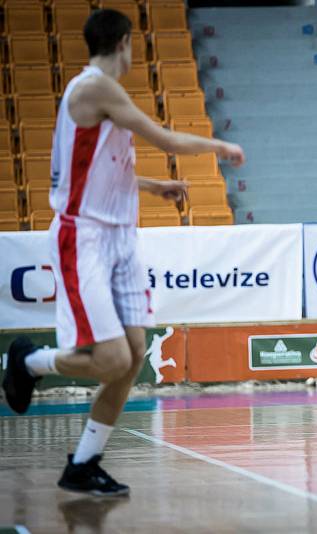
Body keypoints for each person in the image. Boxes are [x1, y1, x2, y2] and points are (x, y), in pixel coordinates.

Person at [2, 9, 244, 496]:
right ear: (125, 44)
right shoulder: (94, 87)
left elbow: (99, 172)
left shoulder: (104, 97)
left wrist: (152, 186)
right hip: (84, 236)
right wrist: (221, 146)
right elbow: (165, 137)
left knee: (133, 357)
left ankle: (84, 462)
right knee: (110, 357)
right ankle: (29, 362)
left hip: (120, 236)